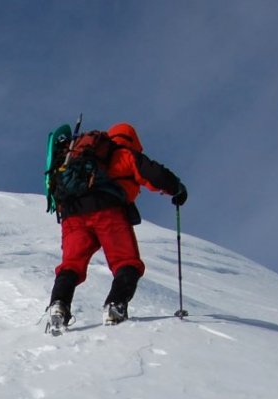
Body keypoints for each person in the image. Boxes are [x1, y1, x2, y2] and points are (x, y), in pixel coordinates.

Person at [46, 122, 187, 332]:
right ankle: (115, 305)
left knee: (71, 265)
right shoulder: (123, 153)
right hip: (107, 211)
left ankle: (58, 305)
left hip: (72, 213)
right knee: (126, 262)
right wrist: (177, 189)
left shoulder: (82, 154)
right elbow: (154, 174)